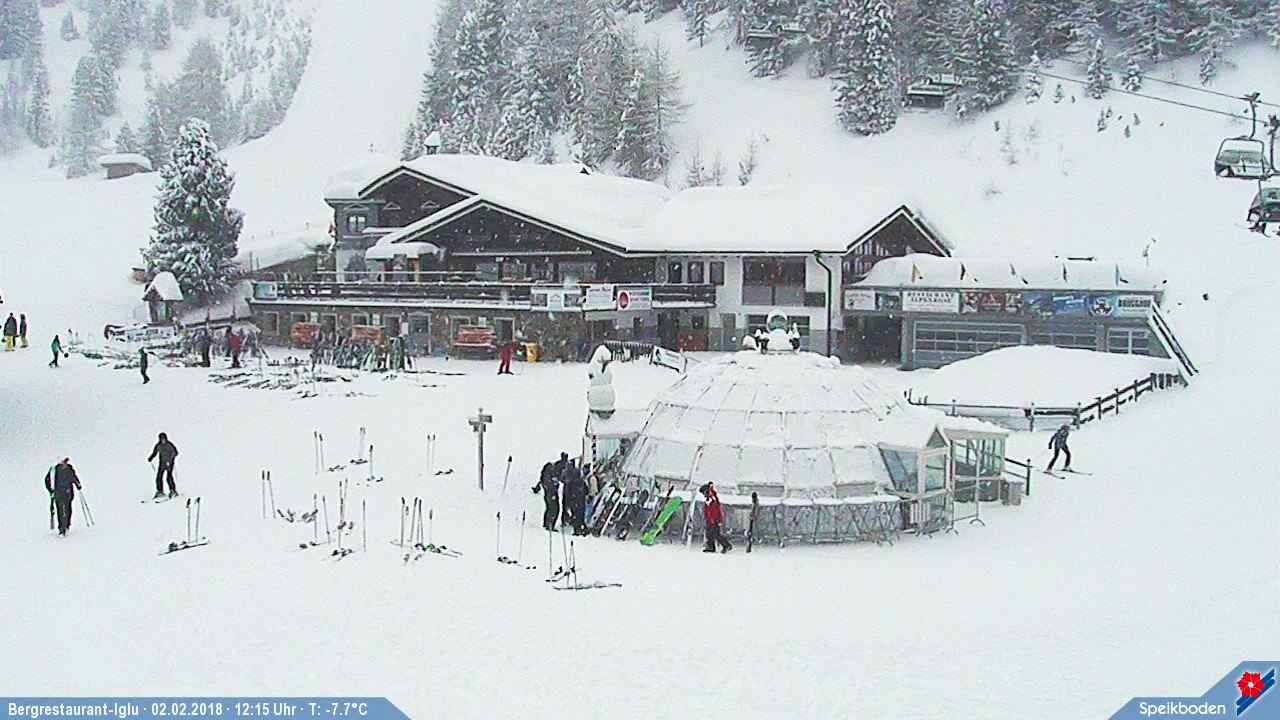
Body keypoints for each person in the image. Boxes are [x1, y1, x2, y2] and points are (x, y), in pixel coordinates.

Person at [44, 458, 82, 537]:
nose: (65, 464)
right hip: (59, 494)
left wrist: (78, 484)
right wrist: (51, 490)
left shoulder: (69, 469)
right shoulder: (54, 471)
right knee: (61, 511)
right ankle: (62, 528)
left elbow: (74, 478)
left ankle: (67, 525)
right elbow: (47, 480)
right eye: (64, 462)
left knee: (68, 510)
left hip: (68, 494)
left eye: (66, 462)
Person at [699, 482, 732, 553]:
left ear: (706, 491)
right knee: (709, 534)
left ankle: (726, 545)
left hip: (714, 520)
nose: (703, 495)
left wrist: (715, 519)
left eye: (703, 493)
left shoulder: (712, 498)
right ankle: (711, 547)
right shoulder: (708, 498)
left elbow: (714, 510)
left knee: (716, 534)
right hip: (710, 520)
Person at [148, 432, 180, 498]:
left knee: (168, 477)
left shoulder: (169, 445)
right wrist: (151, 458)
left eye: (164, 438)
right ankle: (160, 491)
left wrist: (170, 460)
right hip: (162, 464)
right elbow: (155, 452)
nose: (163, 440)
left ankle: (173, 491)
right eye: (161, 439)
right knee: (158, 477)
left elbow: (175, 452)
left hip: (169, 464)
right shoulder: (158, 445)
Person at [532, 462, 561, 532]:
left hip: (548, 494)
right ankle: (550, 525)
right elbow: (551, 485)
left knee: (549, 508)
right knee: (554, 509)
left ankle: (546, 523)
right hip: (551, 494)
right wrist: (554, 488)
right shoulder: (549, 477)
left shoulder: (545, 475)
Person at [562, 461, 588, 535]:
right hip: (581, 501)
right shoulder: (582, 482)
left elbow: (567, 494)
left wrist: (567, 503)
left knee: (576, 515)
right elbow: (586, 491)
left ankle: (577, 529)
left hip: (574, 501)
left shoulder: (570, 483)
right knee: (580, 515)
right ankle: (582, 528)